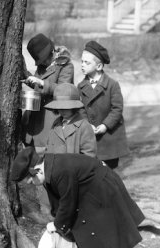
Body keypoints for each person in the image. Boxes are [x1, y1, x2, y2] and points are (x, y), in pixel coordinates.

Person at [10, 147, 144, 248]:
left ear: (36, 170)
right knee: (81, 233)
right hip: (90, 190)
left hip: (104, 191)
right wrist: (62, 224)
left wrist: (57, 225)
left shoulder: (60, 171)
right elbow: (62, 201)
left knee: (89, 238)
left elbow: (68, 203)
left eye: (31, 181)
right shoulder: (49, 168)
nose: (32, 184)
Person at [78, 40, 129, 169]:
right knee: (91, 171)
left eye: (87, 62)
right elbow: (80, 108)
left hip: (109, 138)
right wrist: (86, 124)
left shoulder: (112, 85)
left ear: (99, 66)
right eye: (82, 61)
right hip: (89, 138)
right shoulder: (81, 86)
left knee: (108, 173)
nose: (82, 65)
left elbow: (117, 109)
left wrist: (105, 125)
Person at [22, 33, 74, 151]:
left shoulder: (65, 65)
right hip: (35, 118)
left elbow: (63, 90)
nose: (43, 62)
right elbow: (37, 85)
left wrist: (42, 83)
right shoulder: (42, 66)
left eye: (44, 58)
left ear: (51, 51)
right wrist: (28, 79)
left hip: (52, 119)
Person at [43, 83, 97, 157]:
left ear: (74, 107)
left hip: (74, 167)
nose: (62, 110)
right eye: (59, 107)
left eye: (66, 107)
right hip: (54, 167)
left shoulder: (84, 126)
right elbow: (48, 148)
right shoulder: (56, 123)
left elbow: (89, 155)